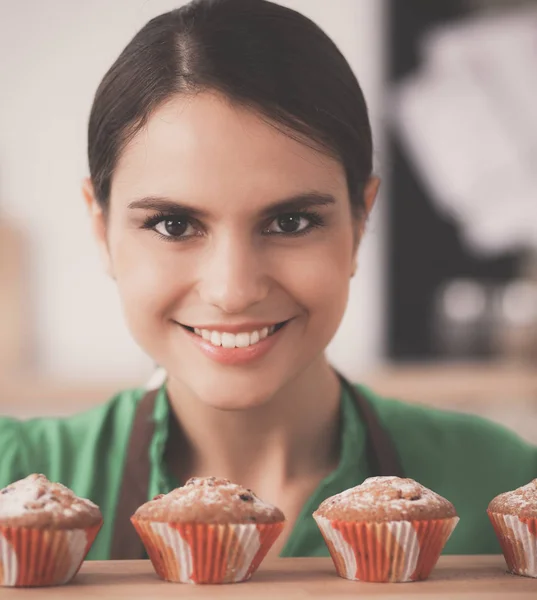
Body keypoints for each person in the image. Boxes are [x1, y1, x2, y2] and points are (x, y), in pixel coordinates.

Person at [0, 0, 535, 561]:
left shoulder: (505, 482)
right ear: (100, 226)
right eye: (174, 224)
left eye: (290, 222)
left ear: (360, 222)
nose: (232, 290)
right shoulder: (9, 473)